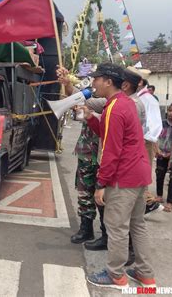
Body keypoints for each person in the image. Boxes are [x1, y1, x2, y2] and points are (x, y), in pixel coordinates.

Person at [84, 63, 155, 290]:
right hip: (139, 172)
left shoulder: (115, 107)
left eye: (96, 78)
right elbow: (112, 134)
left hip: (123, 176)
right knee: (137, 225)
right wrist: (91, 119)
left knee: (117, 227)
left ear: (108, 81)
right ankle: (145, 274)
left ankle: (116, 275)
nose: (93, 83)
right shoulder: (123, 103)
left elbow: (112, 150)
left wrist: (101, 184)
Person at [56, 66, 104, 245]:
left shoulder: (109, 101)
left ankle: (106, 232)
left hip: (100, 155)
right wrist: (67, 82)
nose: (94, 83)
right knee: (84, 193)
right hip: (86, 152)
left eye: (97, 79)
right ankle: (86, 228)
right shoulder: (93, 94)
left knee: (102, 195)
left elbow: (82, 100)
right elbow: (74, 93)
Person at [155, 103, 172, 212]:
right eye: (170, 110)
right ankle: (159, 195)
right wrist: (157, 150)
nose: (171, 113)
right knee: (159, 174)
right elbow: (155, 136)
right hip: (161, 153)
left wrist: (171, 154)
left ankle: (170, 202)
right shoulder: (161, 123)